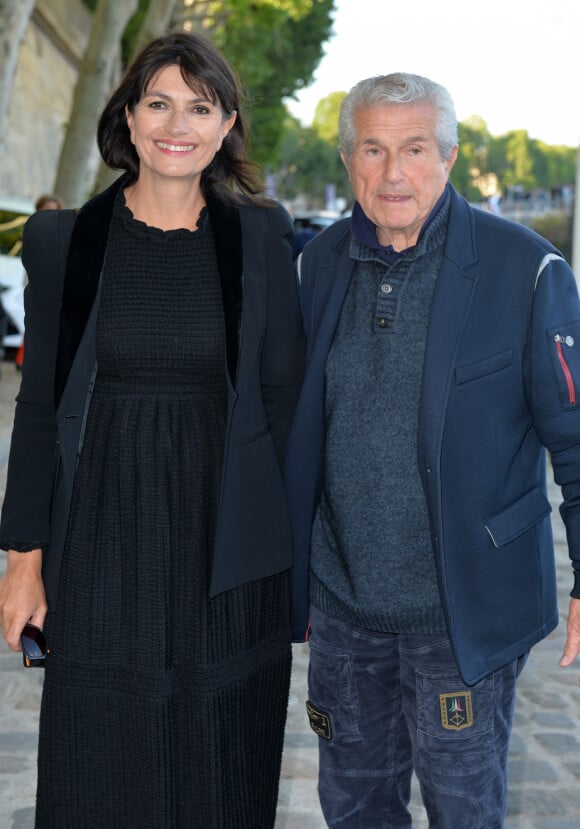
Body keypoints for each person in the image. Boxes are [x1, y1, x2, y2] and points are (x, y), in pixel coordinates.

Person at [0, 31, 304, 828]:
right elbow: (37, 410)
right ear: (128, 118)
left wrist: (301, 566)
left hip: (227, 543)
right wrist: (23, 560)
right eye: (159, 102)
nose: (178, 123)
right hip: (102, 538)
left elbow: (286, 405)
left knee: (221, 756)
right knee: (100, 753)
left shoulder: (263, 239)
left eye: (200, 106)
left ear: (226, 122)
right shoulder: (64, 242)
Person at [284, 72, 580, 828]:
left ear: (448, 156)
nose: (392, 172)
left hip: (462, 619)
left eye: (414, 148)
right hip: (344, 615)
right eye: (373, 149)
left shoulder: (528, 270)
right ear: (349, 158)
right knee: (353, 808)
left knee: (464, 810)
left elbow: (575, 440)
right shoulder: (316, 267)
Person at [14, 194, 65, 371]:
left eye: (54, 210)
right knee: (31, 324)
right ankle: (23, 360)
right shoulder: (32, 230)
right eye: (46, 210)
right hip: (35, 285)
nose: (50, 214)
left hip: (54, 287)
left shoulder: (62, 233)